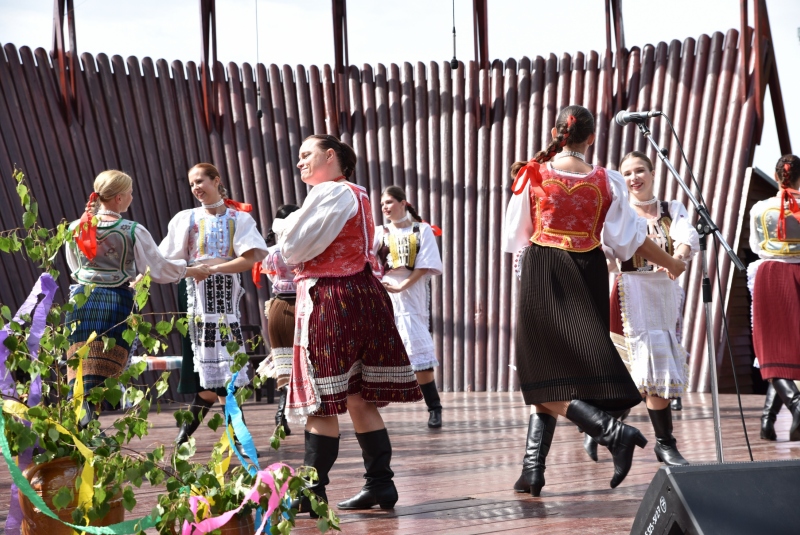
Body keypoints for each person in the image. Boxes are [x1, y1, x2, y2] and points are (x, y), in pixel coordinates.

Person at [502, 105, 686, 496]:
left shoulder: (531, 174)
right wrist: (671, 261)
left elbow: (515, 234)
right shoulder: (608, 180)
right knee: (552, 369)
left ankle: (611, 432)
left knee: (538, 370)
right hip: (586, 269)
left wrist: (535, 261)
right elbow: (628, 240)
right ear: (591, 139)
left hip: (543, 267)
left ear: (556, 133)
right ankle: (532, 469)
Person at [273, 134, 421, 514]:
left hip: (334, 298)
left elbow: (293, 250)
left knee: (322, 402)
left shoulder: (330, 193)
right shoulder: (356, 193)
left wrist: (283, 227)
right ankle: (380, 486)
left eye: (307, 155)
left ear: (330, 155)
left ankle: (311, 493)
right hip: (362, 295)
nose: (301, 162)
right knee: (358, 396)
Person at [65, 170, 209, 428]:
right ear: (119, 198)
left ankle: (78, 430)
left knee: (80, 370)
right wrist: (191, 270)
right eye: (130, 193)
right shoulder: (131, 230)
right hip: (113, 302)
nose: (132, 197)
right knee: (102, 372)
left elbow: (75, 267)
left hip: (79, 303)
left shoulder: (76, 227)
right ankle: (87, 431)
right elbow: (157, 267)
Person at [586, 150, 699, 466]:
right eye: (628, 173)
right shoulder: (620, 213)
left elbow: (685, 236)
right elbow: (607, 248)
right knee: (648, 370)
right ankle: (665, 444)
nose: (634, 178)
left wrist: (680, 258)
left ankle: (602, 428)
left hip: (662, 292)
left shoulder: (670, 208)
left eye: (640, 171)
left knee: (643, 376)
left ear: (652, 173)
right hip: (630, 293)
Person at [159, 163, 268, 447]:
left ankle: (185, 437)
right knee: (210, 370)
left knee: (221, 372)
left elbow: (250, 258)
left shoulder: (238, 218)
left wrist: (217, 269)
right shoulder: (186, 218)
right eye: (192, 183)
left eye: (200, 181)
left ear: (216, 180)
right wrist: (194, 269)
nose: (196, 187)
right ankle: (238, 439)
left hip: (224, 292)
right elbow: (168, 258)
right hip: (194, 293)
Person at [376, 186, 444, 428]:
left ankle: (434, 408)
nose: (385, 206)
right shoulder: (379, 232)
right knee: (378, 347)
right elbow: (368, 261)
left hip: (411, 290)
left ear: (403, 203)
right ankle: (370, 412)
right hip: (383, 290)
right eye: (383, 203)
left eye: (390, 201)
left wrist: (402, 285)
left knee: (416, 346)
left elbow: (424, 266)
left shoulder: (421, 229)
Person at [748, 154, 800, 441]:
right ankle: (769, 421)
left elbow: (756, 245)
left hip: (771, 274)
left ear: (777, 175)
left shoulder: (760, 208)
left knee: (772, 348)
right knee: (788, 349)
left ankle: (792, 407)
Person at [257, 204, 301, 437]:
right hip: (301, 306)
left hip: (277, 307)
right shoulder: (305, 248)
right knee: (306, 362)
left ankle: (281, 413)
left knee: (284, 363)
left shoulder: (271, 252)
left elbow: (267, 270)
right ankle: (316, 418)